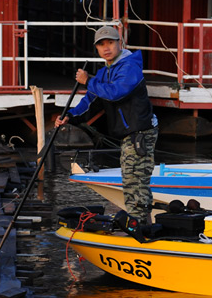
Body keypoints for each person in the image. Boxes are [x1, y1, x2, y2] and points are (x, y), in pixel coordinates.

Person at [56, 25, 159, 223]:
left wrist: (88, 81)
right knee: (130, 178)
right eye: (101, 45)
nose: (106, 48)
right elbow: (89, 101)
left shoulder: (130, 67)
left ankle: (139, 223)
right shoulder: (105, 72)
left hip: (142, 132)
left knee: (135, 179)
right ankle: (138, 221)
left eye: (110, 43)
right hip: (129, 133)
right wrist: (69, 115)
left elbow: (116, 92)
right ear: (97, 49)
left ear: (120, 43)